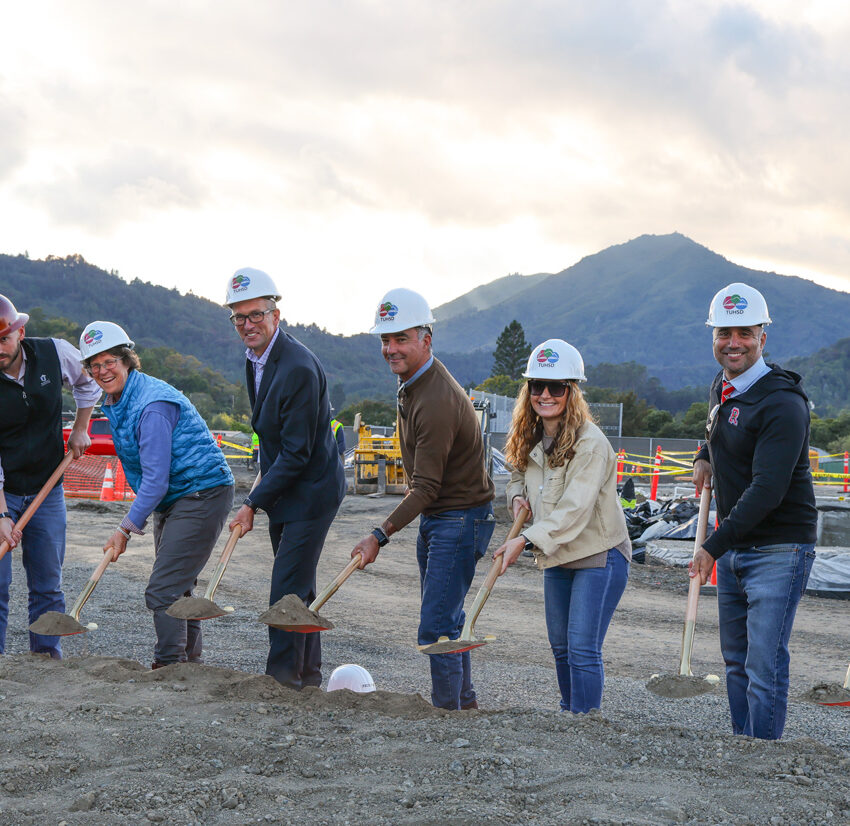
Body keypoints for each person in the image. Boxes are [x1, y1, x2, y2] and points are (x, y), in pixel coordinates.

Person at [350, 288, 495, 711]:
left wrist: (380, 533)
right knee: (447, 622)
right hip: (444, 516)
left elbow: (426, 487)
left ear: (425, 339)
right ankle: (462, 706)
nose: (390, 349)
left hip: (458, 518)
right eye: (385, 340)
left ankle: (446, 716)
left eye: (401, 339)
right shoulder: (415, 384)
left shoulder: (434, 400)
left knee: (435, 629)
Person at [690, 282, 817, 740]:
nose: (733, 343)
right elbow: (720, 424)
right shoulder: (722, 387)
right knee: (736, 661)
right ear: (714, 338)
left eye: (744, 333)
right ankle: (742, 749)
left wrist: (711, 546)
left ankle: (762, 757)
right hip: (736, 546)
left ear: (763, 337)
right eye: (724, 333)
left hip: (780, 548)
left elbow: (768, 489)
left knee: (764, 661)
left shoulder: (782, 403)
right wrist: (704, 453)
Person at [79, 321, 234, 667]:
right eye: (95, 365)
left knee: (162, 589)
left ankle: (169, 667)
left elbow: (155, 481)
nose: (103, 371)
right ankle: (189, 667)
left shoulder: (152, 404)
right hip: (175, 497)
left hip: (201, 492)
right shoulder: (118, 400)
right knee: (177, 586)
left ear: (127, 360)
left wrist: (123, 529)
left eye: (110, 362)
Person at [493, 339, 630, 713]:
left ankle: (584, 723)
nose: (546, 395)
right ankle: (569, 713)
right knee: (561, 645)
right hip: (556, 552)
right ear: (529, 391)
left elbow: (574, 510)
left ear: (572, 392)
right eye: (537, 386)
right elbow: (517, 476)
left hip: (598, 554)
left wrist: (524, 539)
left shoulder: (591, 444)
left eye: (557, 388)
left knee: (582, 647)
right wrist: (517, 498)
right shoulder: (531, 434)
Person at [225, 268, 345, 690]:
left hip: (311, 491)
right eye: (239, 317)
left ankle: (279, 684)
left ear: (276, 313)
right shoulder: (256, 358)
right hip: (286, 487)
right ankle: (307, 677)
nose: (247, 325)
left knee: (284, 593)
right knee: (299, 589)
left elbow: (297, 453)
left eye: (256, 315)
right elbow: (270, 433)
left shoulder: (296, 367)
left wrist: (252, 502)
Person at [0, 294, 100, 658]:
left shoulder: (55, 352)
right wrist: (1, 515)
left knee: (47, 584)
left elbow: (87, 384)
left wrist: (80, 427)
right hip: (3, 489)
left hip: (47, 486)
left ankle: (45, 659)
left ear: (19, 332)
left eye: (3, 339)